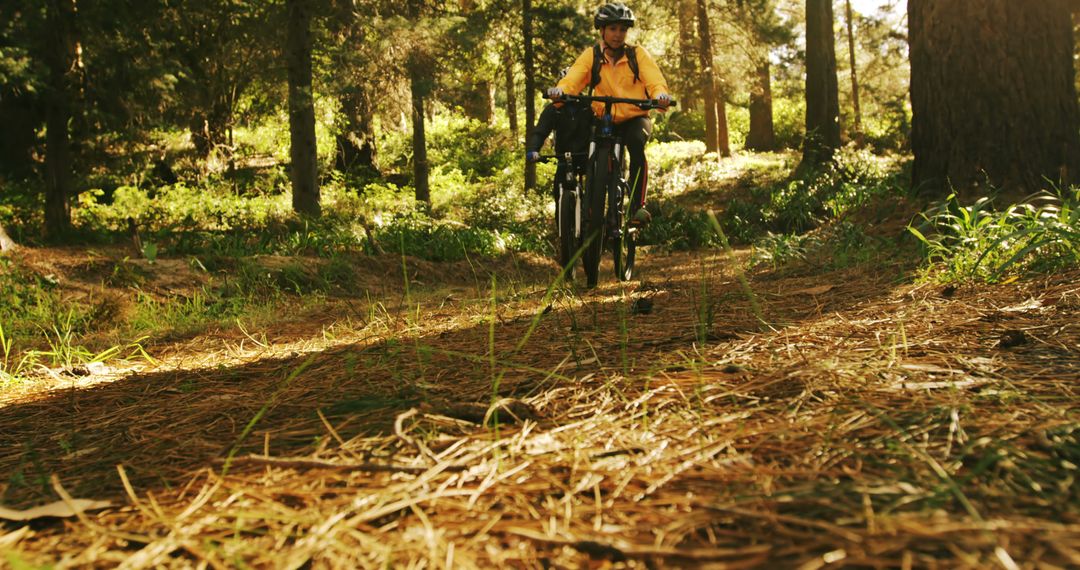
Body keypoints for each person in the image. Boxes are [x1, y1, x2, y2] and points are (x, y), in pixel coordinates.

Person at [547, 2, 672, 227]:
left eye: (622, 30)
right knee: (588, 149)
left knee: (635, 142)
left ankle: (637, 206)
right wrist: (561, 91)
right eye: (613, 29)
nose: (618, 34)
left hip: (635, 117)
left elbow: (655, 80)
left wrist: (660, 96)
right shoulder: (592, 55)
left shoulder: (637, 55)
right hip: (603, 117)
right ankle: (592, 203)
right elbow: (573, 78)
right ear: (602, 30)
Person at [526, 70, 593, 204]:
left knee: (594, 188)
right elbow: (540, 131)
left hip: (586, 155)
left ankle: (593, 217)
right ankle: (562, 221)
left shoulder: (589, 106)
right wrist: (534, 150)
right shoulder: (553, 110)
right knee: (559, 192)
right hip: (564, 157)